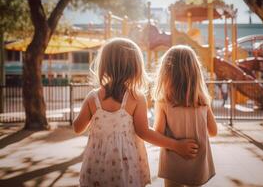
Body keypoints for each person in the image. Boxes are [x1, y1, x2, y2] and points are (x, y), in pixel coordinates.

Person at [73, 38, 199, 187]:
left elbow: (77, 128)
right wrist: (177, 146)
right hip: (126, 165)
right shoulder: (135, 97)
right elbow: (144, 132)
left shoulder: (92, 98)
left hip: (96, 165)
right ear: (134, 67)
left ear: (105, 65)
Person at [153, 45, 218, 187]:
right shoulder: (202, 102)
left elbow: (157, 135)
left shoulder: (163, 102)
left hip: (173, 165)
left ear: (167, 73)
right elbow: (213, 132)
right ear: (196, 73)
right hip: (197, 165)